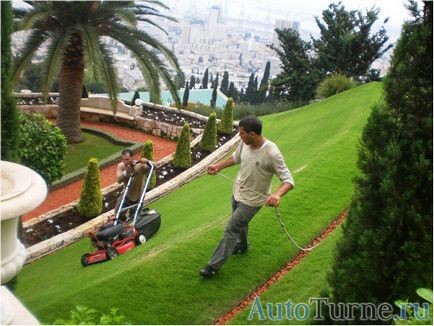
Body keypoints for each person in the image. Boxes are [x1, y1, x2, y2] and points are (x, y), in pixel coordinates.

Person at [200, 116, 294, 278]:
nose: (239, 137)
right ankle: (242, 245)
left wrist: (277, 194)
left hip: (252, 202)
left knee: (232, 228)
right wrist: (218, 166)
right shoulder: (244, 143)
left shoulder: (272, 153)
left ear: (252, 134)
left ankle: (212, 266)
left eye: (242, 134)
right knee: (239, 225)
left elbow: (288, 180)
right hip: (237, 193)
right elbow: (235, 158)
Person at [115, 149, 149, 221]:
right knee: (118, 214)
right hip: (126, 195)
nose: (125, 162)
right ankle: (120, 228)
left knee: (134, 217)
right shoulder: (121, 166)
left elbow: (154, 166)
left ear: (132, 157)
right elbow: (118, 180)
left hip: (138, 195)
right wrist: (126, 172)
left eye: (127, 159)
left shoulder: (140, 166)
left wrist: (147, 161)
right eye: (123, 160)